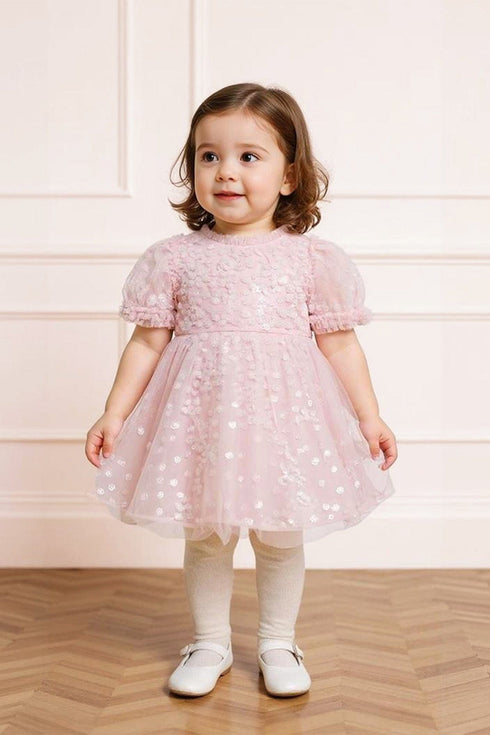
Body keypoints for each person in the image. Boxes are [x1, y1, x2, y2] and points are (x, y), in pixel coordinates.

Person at [85, 82, 398, 699]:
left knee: (280, 534)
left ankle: (278, 641)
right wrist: (113, 414)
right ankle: (209, 642)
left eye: (248, 156)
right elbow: (147, 343)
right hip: (201, 422)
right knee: (207, 535)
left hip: (283, 424)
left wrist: (370, 417)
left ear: (289, 176)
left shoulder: (310, 260)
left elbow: (340, 346)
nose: (226, 171)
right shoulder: (175, 258)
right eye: (209, 156)